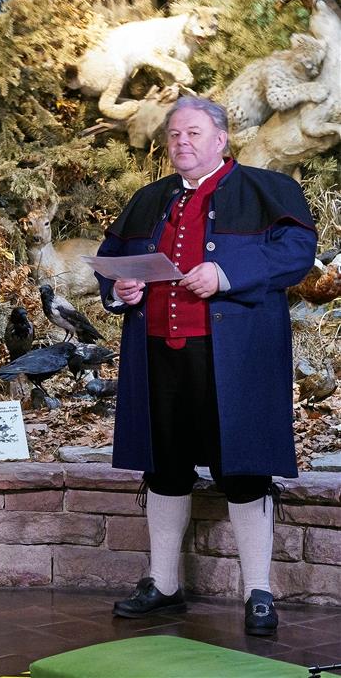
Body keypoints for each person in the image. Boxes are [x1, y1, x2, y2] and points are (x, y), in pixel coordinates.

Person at [95, 96, 316, 637]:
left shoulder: (269, 190)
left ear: (221, 139)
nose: (181, 142)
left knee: (242, 469)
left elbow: (298, 253)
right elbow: (112, 258)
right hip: (157, 355)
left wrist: (225, 273)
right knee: (164, 465)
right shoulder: (149, 199)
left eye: (192, 132)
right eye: (173, 135)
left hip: (234, 358)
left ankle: (258, 591)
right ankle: (164, 584)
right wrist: (120, 288)